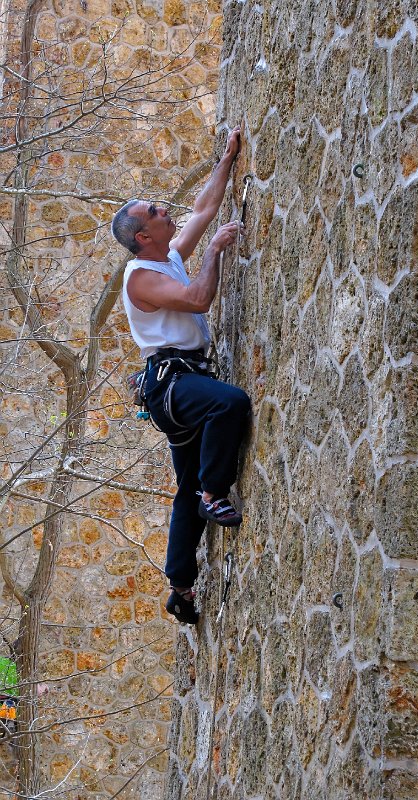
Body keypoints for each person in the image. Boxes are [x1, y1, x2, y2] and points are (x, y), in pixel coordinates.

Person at [111, 128, 251, 624]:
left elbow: (202, 210)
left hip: (181, 377)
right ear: (142, 236)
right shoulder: (142, 277)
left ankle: (181, 587)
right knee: (229, 403)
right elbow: (198, 300)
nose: (166, 211)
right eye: (155, 213)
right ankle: (216, 494)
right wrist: (212, 253)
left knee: (184, 484)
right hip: (171, 385)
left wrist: (228, 160)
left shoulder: (166, 256)